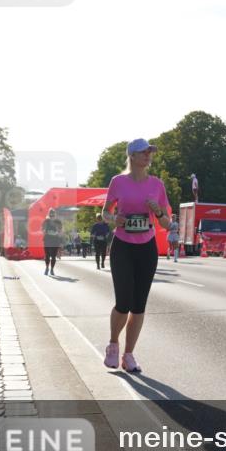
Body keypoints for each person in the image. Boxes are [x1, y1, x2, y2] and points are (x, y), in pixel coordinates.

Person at [100, 138, 172, 374]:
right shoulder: (118, 182)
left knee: (139, 305)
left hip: (146, 248)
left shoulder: (157, 184)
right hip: (123, 246)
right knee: (123, 303)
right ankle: (113, 345)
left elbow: (167, 223)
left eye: (150, 152)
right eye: (143, 152)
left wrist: (158, 211)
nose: (148, 155)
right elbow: (105, 212)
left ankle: (129, 355)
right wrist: (115, 219)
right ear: (132, 155)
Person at [41, 209, 64, 276]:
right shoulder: (46, 221)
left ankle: (52, 269)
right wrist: (44, 231)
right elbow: (42, 229)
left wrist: (61, 241)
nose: (52, 216)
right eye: (51, 214)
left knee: (53, 256)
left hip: (55, 240)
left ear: (55, 214)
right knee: (47, 255)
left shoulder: (58, 222)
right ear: (49, 214)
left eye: (53, 214)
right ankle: (47, 267)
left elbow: (61, 232)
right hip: (47, 240)